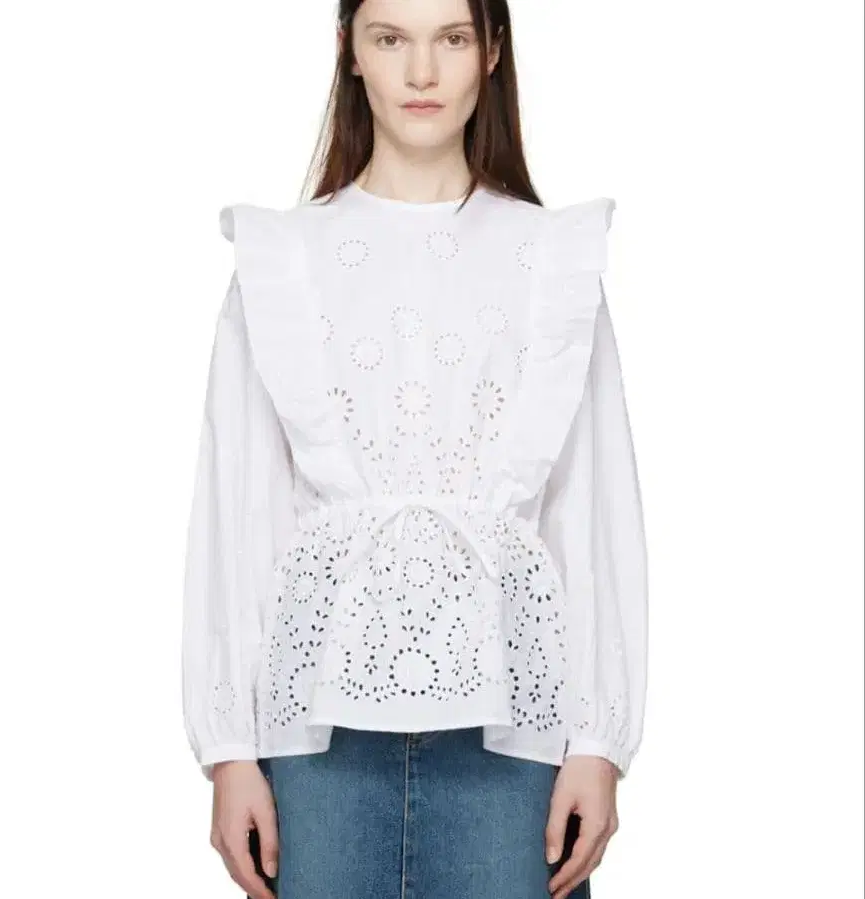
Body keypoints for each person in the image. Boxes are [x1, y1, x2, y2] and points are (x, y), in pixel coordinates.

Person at [180, 1, 648, 897]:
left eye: (452, 38)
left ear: (492, 51)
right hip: (316, 734)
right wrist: (229, 748)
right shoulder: (282, 259)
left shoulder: (553, 259)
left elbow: (592, 505)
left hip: (516, 722)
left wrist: (599, 741)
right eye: (390, 38)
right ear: (350, 52)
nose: (421, 73)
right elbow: (239, 507)